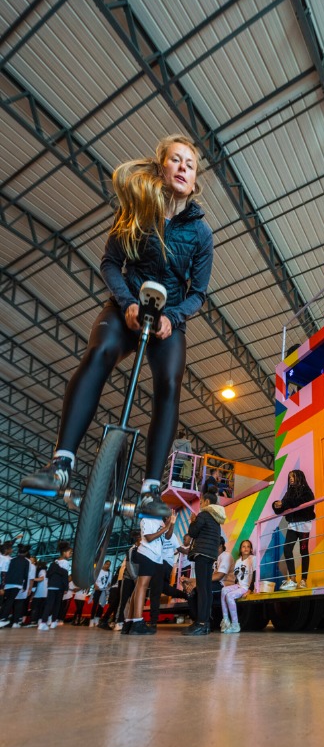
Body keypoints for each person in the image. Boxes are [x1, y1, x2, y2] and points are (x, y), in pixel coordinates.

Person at [21, 135, 214, 518]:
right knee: (100, 352)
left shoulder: (202, 233)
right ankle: (61, 465)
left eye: (189, 165)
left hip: (167, 318)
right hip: (126, 305)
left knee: (170, 384)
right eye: (175, 161)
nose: (182, 168)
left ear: (194, 181)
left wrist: (171, 319)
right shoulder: (138, 211)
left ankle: (150, 490)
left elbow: (199, 293)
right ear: (161, 169)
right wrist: (127, 304)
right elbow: (110, 262)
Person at [181, 492, 226, 636]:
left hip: (201, 554)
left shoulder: (204, 515)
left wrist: (193, 521)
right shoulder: (217, 519)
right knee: (206, 588)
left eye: (201, 502)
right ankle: (205, 623)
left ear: (207, 502)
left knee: (202, 589)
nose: (200, 504)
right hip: (211, 555)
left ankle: (200, 623)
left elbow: (192, 532)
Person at [123, 514, 173, 635]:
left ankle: (129, 623)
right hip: (147, 554)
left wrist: (171, 523)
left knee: (139, 588)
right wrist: (165, 528)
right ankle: (137, 622)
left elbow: (167, 537)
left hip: (157, 558)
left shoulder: (160, 521)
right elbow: (149, 538)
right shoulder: (147, 519)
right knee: (142, 586)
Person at [272, 470, 315, 591]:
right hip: (293, 525)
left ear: (299, 477)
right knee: (287, 549)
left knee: (303, 550)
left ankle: (304, 580)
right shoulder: (289, 492)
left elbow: (300, 502)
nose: (291, 478)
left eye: (293, 476)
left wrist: (285, 503)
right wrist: (277, 505)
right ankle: (292, 578)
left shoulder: (307, 491)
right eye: (289, 476)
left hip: (304, 524)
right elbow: (284, 505)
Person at [220, 539, 255, 634]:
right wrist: (234, 586)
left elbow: (255, 574)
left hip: (245, 587)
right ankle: (226, 620)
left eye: (248, 546)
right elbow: (237, 577)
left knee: (229, 596)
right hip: (239, 586)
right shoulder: (238, 561)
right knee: (223, 590)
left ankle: (235, 624)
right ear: (240, 549)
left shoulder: (253, 559)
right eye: (244, 546)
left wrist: (250, 590)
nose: (246, 548)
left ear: (251, 549)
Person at [39, 541, 72, 631]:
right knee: (57, 604)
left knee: (49, 604)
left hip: (51, 585)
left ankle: (43, 622)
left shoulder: (55, 562)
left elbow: (48, 575)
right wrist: (66, 587)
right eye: (70, 553)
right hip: (59, 586)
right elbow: (65, 576)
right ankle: (53, 622)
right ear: (64, 552)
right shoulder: (65, 563)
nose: (70, 554)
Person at [0, 544, 31, 628]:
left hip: (8, 583)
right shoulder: (26, 562)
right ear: (26, 552)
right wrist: (25, 586)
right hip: (17, 584)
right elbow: (26, 575)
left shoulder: (12, 560)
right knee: (10, 601)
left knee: (6, 601)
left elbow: (7, 571)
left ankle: (2, 617)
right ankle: (3, 619)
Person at [89, 560, 112, 627]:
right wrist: (95, 585)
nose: (108, 565)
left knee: (101, 605)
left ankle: (97, 619)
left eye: (109, 564)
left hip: (104, 590)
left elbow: (109, 582)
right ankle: (91, 619)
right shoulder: (99, 571)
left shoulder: (109, 573)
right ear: (104, 564)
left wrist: (109, 586)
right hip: (97, 589)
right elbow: (94, 578)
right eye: (107, 564)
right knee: (95, 604)